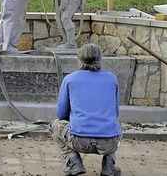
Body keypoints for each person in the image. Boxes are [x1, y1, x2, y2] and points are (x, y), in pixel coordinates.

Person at [51, 43, 122, 176]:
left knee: (55, 125)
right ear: (100, 58)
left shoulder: (70, 79)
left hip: (79, 140)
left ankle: (73, 161)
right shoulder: (112, 79)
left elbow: (61, 114)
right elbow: (115, 112)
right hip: (109, 141)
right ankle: (109, 164)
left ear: (80, 59)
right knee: (117, 124)